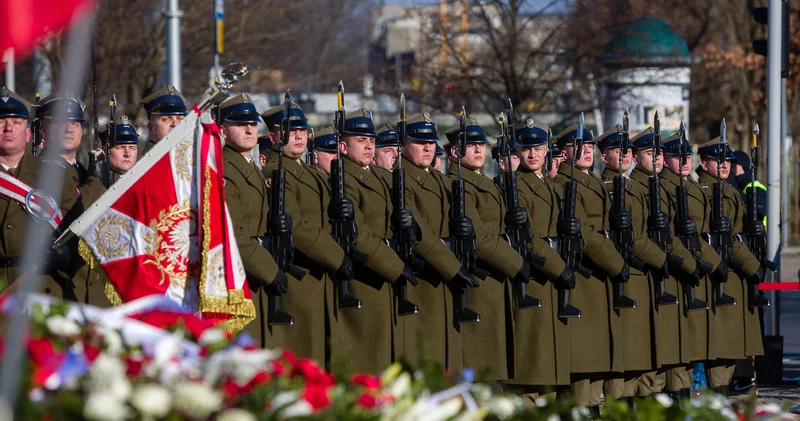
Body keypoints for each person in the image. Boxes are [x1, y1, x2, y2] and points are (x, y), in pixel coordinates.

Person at [261, 100, 351, 366]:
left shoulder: (306, 172)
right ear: (273, 137)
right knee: (302, 356)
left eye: (302, 130)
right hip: (298, 275)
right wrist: (338, 256)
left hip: (319, 275)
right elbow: (297, 226)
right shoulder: (276, 172)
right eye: (291, 130)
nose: (299, 135)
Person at [443, 119, 531, 381]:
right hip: (482, 280)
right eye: (471, 146)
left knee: (495, 367)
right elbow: (479, 237)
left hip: (497, 280)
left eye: (481, 144)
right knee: (481, 365)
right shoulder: (458, 184)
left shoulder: (485, 182)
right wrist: (517, 264)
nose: (479, 150)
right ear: (455, 153)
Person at [552, 122, 628, 412]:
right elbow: (585, 233)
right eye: (577, 147)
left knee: (597, 363)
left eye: (589, 147)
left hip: (602, 276)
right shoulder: (563, 183)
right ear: (564, 153)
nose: (586, 151)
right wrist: (616, 262)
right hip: (585, 277)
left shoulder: (594, 181)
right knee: (583, 364)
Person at [334, 109, 417, 373]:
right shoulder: (343, 179)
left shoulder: (379, 175)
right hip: (366, 276)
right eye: (361, 140)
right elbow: (359, 234)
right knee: (370, 361)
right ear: (343, 146)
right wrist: (395, 266)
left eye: (371, 139)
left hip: (385, 274)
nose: (369, 145)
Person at [398, 113, 478, 371]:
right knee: (425, 363)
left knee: (448, 367)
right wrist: (453, 267)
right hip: (425, 279)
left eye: (431, 142)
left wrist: (468, 231)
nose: (428, 148)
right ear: (404, 144)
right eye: (420, 142)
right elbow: (419, 233)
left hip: (446, 283)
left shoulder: (443, 181)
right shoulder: (401, 181)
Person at [625, 127, 699, 401]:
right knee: (654, 358)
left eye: (658, 152)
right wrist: (680, 260)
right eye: (649, 153)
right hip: (652, 274)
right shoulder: (637, 187)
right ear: (635, 157)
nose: (656, 157)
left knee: (675, 355)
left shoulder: (666, 185)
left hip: (672, 272)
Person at [504, 120, 575, 402]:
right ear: (518, 152)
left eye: (537, 148)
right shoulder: (514, 187)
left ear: (547, 150)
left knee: (553, 369)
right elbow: (528, 238)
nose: (532, 155)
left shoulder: (554, 187)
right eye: (526, 149)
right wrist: (560, 269)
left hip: (556, 281)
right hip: (536, 277)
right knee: (533, 370)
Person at [696, 137, 765, 396]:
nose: (725, 164)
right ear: (704, 163)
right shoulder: (704, 192)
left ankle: (724, 396)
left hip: (737, 275)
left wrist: (755, 231)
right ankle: (717, 400)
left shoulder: (730, 190)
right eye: (718, 160)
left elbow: (739, 232)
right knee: (720, 349)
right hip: (721, 274)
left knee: (730, 350)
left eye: (727, 160)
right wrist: (751, 264)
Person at [660, 133, 725, 399]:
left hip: (700, 267)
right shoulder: (664, 187)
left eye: (688, 156)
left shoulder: (693, 186)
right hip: (681, 269)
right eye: (677, 156)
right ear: (665, 158)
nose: (685, 161)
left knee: (694, 344)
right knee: (678, 346)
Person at [218, 94, 285, 348]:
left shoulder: (249, 166)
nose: (249, 129)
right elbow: (234, 235)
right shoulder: (225, 168)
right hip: (240, 279)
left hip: (254, 274)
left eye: (253, 124)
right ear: (223, 130)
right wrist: (271, 271)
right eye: (240, 124)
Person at [0, 87, 80, 297]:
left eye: (16, 123)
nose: (8, 128)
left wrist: (67, 256)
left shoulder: (56, 175)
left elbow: (80, 233)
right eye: (1, 122)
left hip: (43, 289)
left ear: (28, 133)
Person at [139, 85, 188, 154]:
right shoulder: (142, 163)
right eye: (165, 119)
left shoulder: (194, 159)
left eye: (180, 119)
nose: (175, 124)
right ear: (151, 128)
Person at [99, 115, 139, 181]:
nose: (127, 154)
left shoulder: (144, 180)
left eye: (132, 148)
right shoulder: (96, 182)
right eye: (120, 147)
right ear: (104, 150)